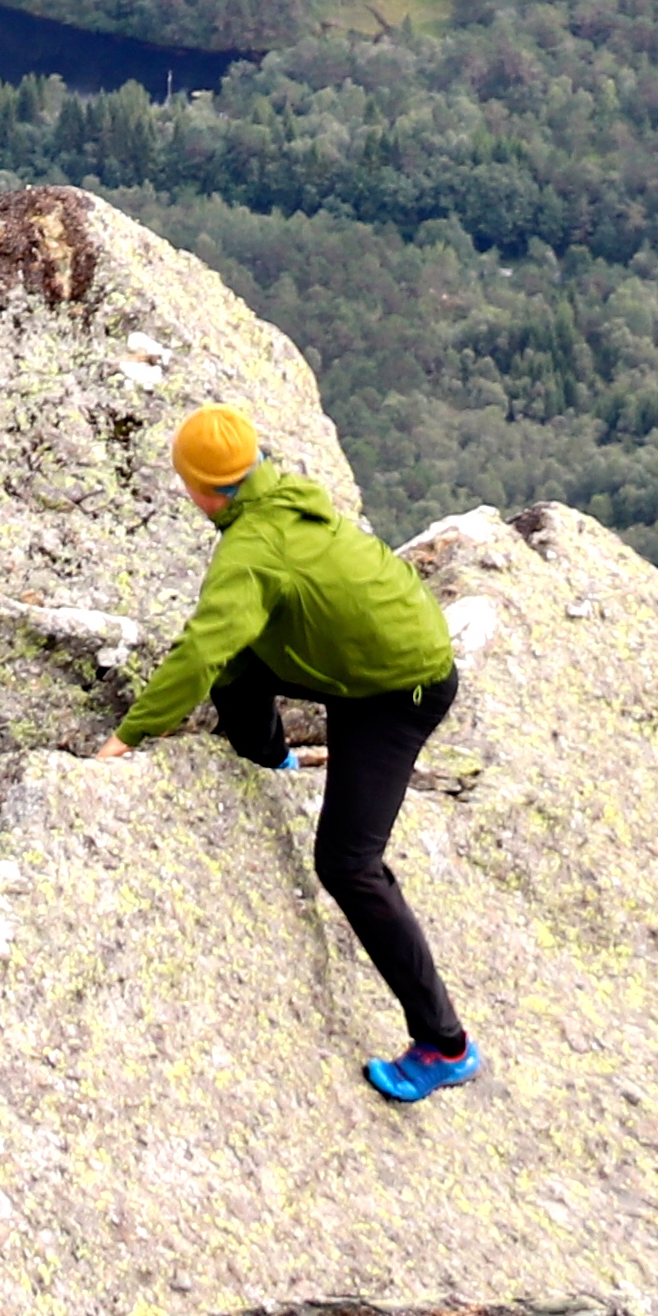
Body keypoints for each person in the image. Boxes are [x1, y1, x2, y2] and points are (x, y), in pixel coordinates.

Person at [93, 402, 478, 1104]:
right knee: (242, 664)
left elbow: (200, 648)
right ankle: (273, 762)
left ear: (203, 490)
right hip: (364, 662)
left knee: (347, 863)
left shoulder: (250, 550)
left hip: (400, 693)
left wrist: (127, 738)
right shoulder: (285, 493)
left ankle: (443, 1044)